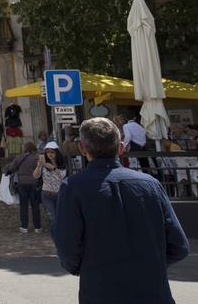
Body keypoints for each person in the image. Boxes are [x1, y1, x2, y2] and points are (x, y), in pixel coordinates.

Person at [54, 117, 188, 303]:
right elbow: (179, 245)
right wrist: (151, 265)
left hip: (101, 290)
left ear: (82, 148)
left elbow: (68, 247)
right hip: (153, 292)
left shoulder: (73, 187)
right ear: (121, 147)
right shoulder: (151, 185)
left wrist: (85, 269)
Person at [5, 142, 42, 233]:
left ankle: (24, 226)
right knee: (35, 206)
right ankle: (37, 227)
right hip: (34, 183)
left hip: (22, 183)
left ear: (25, 148)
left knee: (23, 206)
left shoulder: (19, 157)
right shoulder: (37, 158)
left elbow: (12, 168)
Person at [34, 141, 66, 228]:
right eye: (47, 152)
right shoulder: (43, 164)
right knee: (53, 217)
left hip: (59, 194)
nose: (49, 154)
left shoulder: (61, 164)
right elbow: (35, 176)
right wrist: (38, 166)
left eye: (52, 152)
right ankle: (56, 234)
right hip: (46, 194)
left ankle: (61, 232)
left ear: (56, 152)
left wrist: (52, 168)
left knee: (60, 216)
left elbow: (61, 177)